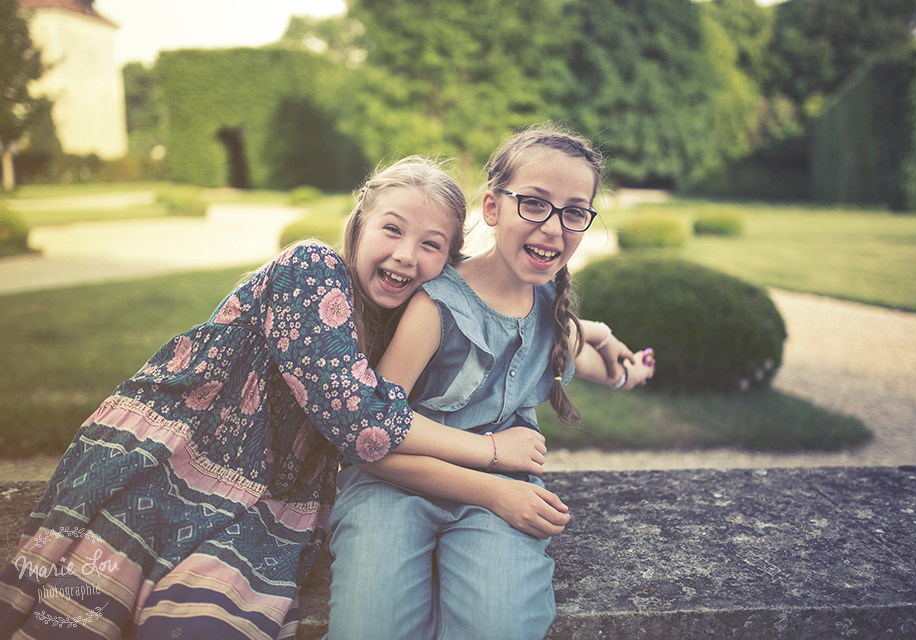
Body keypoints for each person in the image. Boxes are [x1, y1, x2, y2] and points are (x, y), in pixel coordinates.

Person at [0, 157, 550, 640]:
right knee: (89, 601)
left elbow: (506, 314)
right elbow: (361, 418)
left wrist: (593, 334)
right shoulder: (312, 268)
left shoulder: (405, 317)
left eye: (431, 245)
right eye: (392, 229)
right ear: (358, 226)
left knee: (201, 619)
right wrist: (493, 453)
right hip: (176, 453)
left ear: (447, 263)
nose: (407, 255)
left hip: (271, 489)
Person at [325, 123, 656, 640]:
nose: (553, 227)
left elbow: (576, 355)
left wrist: (622, 368)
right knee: (373, 625)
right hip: (396, 485)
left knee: (496, 624)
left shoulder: (548, 307)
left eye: (573, 211)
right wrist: (495, 491)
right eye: (534, 203)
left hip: (503, 498)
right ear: (492, 208)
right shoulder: (434, 307)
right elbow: (372, 441)